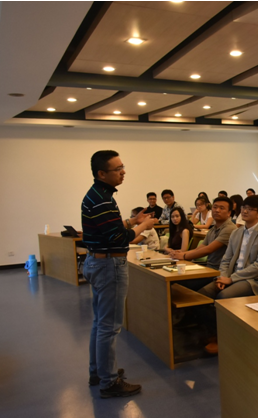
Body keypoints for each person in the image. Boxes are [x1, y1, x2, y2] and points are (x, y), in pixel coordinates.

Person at [82, 150, 157, 397]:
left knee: (100, 322)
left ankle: (99, 371)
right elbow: (118, 238)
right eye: (117, 169)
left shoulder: (98, 194)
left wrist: (132, 221)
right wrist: (143, 226)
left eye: (122, 166)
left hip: (97, 262)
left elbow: (111, 228)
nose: (123, 172)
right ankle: (109, 382)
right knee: (109, 326)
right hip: (109, 266)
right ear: (102, 173)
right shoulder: (103, 200)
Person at [198, 195, 258, 299]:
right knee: (203, 293)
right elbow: (226, 259)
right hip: (231, 275)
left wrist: (231, 279)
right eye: (244, 207)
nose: (245, 211)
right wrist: (223, 276)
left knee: (223, 296)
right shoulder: (236, 233)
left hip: (253, 280)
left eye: (250, 209)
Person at [169, 197, 237, 283]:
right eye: (215, 207)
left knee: (178, 281)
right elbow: (199, 249)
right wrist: (181, 253)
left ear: (229, 213)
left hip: (219, 271)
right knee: (174, 276)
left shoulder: (229, 228)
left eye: (221, 208)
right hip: (209, 267)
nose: (217, 210)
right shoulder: (213, 229)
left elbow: (208, 250)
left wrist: (184, 256)